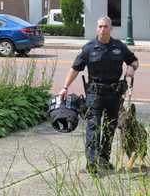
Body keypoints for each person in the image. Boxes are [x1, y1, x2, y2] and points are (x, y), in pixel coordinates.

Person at [59, 16, 139, 175]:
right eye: (100, 26)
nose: (103, 29)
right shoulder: (89, 48)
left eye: (106, 27)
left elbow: (134, 60)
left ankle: (103, 159)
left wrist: (131, 68)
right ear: (97, 29)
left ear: (111, 28)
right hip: (95, 94)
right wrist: (65, 87)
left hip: (114, 95)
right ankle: (92, 163)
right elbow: (75, 68)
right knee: (93, 127)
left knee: (110, 128)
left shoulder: (119, 47)